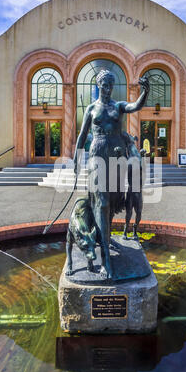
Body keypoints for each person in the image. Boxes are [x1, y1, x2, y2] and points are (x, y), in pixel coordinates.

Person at [73, 70, 149, 279]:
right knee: (102, 202)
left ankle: (103, 236)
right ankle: (106, 256)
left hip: (117, 156)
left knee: (114, 201)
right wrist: (76, 159)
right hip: (98, 153)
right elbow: (81, 137)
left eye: (110, 85)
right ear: (98, 85)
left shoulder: (118, 106)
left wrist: (145, 91)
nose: (107, 88)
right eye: (104, 84)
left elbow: (136, 106)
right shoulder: (91, 108)